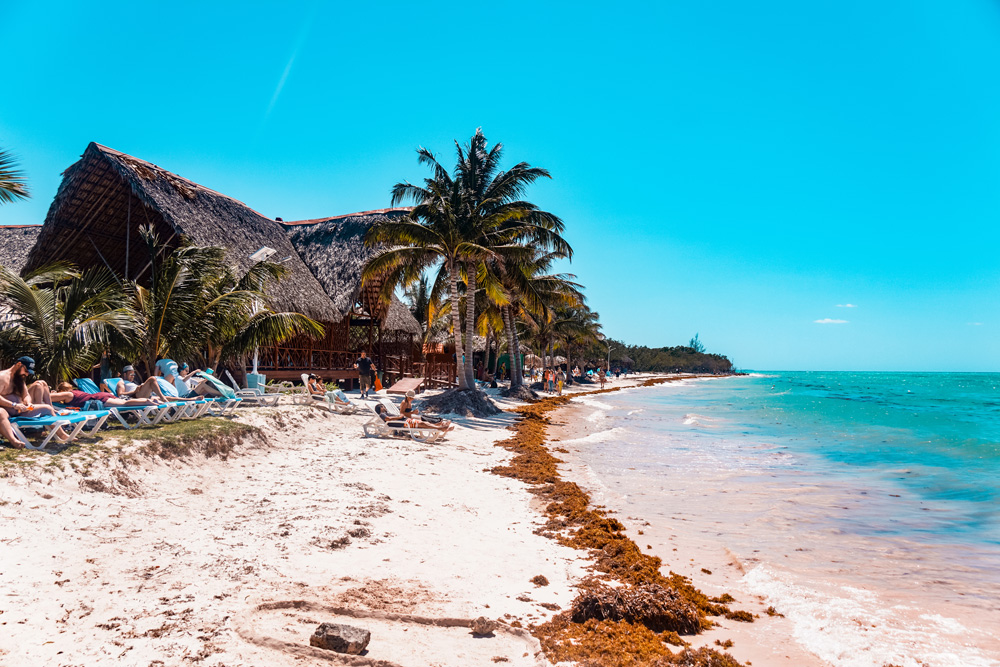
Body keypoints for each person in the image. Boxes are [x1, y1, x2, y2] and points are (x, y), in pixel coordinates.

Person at [0, 357, 72, 448]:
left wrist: (28, 403)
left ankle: (62, 435)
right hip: (7, 411)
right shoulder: (2, 377)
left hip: (21, 410)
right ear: (18, 364)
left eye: (28, 372)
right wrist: (14, 405)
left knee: (47, 408)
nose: (26, 374)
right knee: (0, 412)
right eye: (26, 371)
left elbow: (26, 395)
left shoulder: (19, 379)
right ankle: (13, 440)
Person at [51, 383, 159, 409]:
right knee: (125, 402)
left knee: (125, 404)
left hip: (99, 399)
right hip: (101, 396)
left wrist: (53, 394)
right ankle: (150, 399)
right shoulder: (76, 392)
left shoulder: (68, 394)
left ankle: (147, 401)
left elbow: (49, 398)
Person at [102, 365, 172, 401]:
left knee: (168, 397)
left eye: (134, 374)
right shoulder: (121, 382)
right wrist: (134, 391)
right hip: (136, 396)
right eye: (131, 374)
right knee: (152, 379)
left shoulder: (132, 383)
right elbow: (120, 394)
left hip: (142, 393)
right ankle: (162, 397)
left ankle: (182, 399)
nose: (133, 376)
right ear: (125, 374)